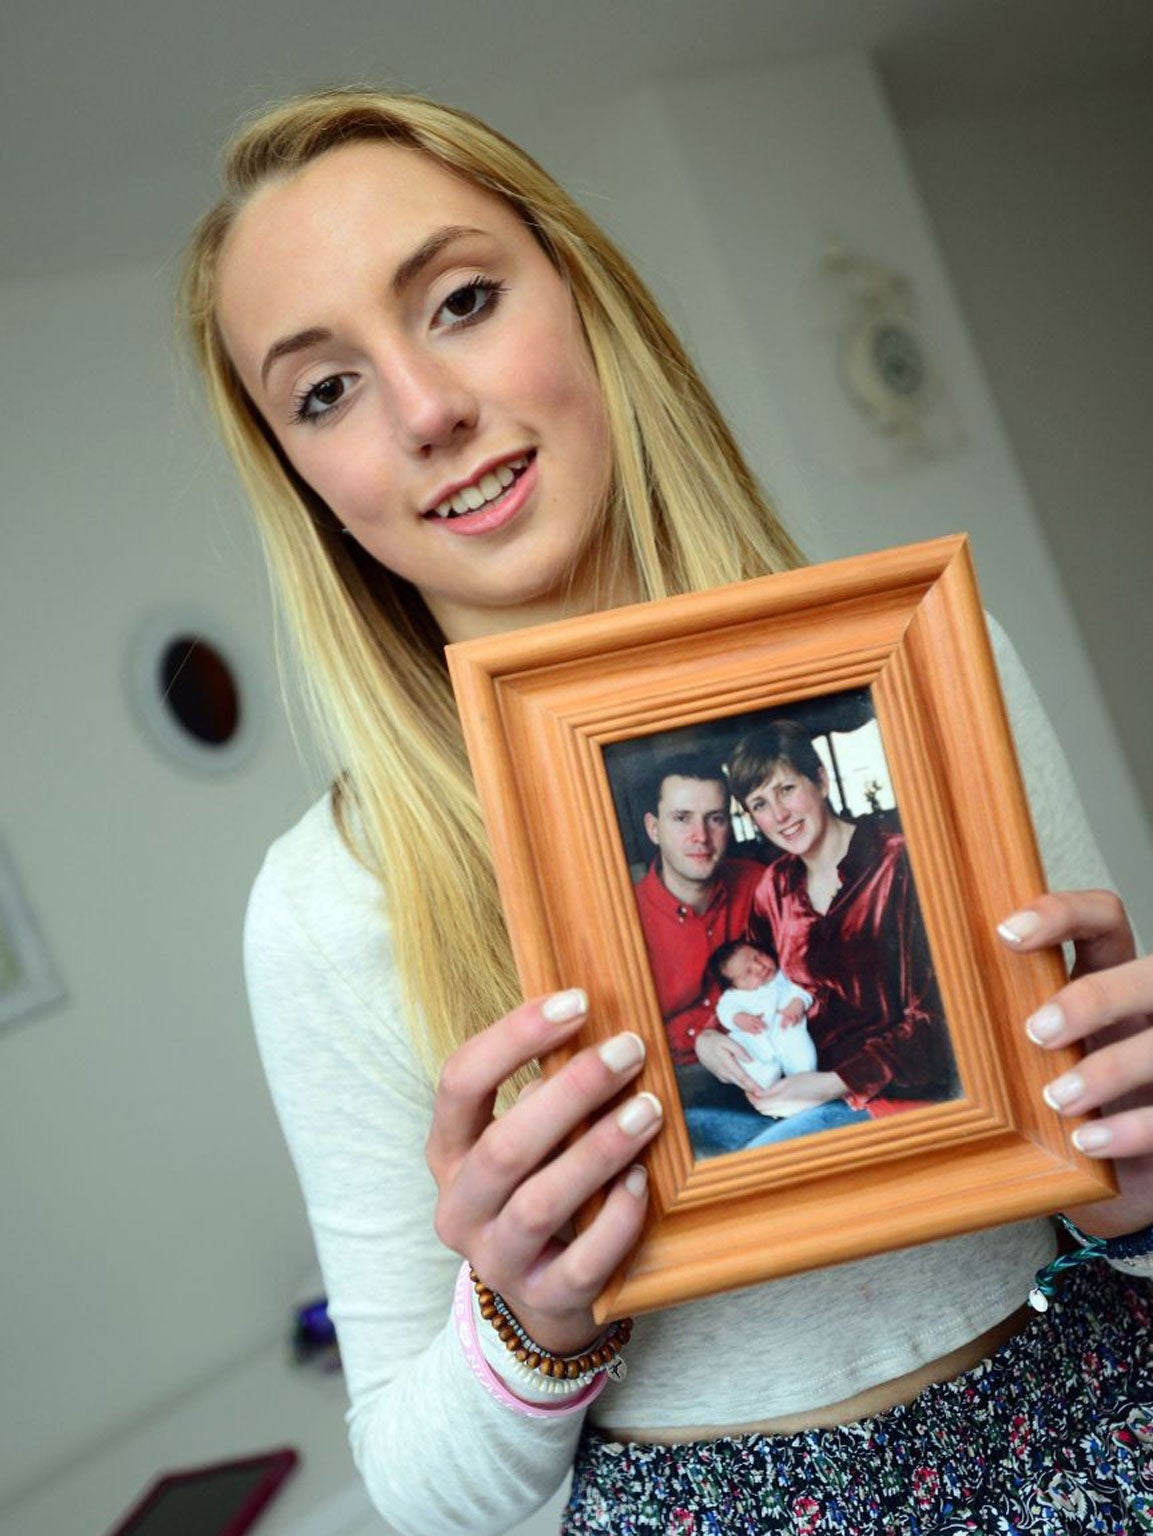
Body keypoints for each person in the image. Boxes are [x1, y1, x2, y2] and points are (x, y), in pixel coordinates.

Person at [182, 87, 1153, 1536]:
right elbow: (424, 1489)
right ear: (306, 485)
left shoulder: (939, 684)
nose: (427, 410)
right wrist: (526, 1319)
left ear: (582, 298)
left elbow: (1105, 1194)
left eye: (458, 300)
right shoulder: (331, 902)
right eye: (324, 390)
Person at [700, 719, 958, 1122]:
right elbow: (748, 980)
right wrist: (710, 1037)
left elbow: (940, 1021)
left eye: (787, 789)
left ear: (820, 781)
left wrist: (833, 1083)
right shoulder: (774, 888)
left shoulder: (900, 864)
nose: (780, 814)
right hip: (796, 1091)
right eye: (760, 804)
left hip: (886, 1097)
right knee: (698, 1129)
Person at [628, 756, 769, 1155]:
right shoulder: (626, 918)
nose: (700, 837)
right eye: (681, 818)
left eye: (715, 819)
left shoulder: (760, 885)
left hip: (771, 1068)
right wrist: (701, 1040)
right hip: (680, 1092)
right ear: (653, 828)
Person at [707, 939, 818, 1091]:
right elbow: (724, 1011)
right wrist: (738, 1018)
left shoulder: (784, 975)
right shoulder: (734, 996)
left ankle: (804, 1083)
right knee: (740, 1050)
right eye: (748, 972)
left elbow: (803, 987)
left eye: (758, 957)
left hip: (787, 1030)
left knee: (803, 1055)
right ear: (734, 986)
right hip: (754, 1037)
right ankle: (762, 1076)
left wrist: (797, 1003)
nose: (759, 967)